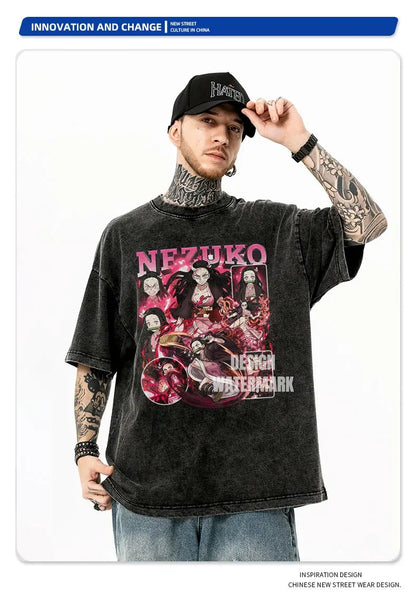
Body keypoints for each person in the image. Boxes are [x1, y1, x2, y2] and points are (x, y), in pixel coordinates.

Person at [66, 72, 387, 561]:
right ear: (175, 130)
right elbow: (97, 353)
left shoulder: (278, 229)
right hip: (146, 493)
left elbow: (367, 223)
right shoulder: (125, 235)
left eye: (235, 128)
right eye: (207, 121)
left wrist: (299, 141)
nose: (222, 136)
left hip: (254, 498)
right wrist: (84, 449)